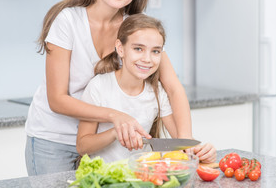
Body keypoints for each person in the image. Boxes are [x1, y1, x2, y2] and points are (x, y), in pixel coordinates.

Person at [25, 0, 196, 176]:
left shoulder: (134, 31)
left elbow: (174, 89)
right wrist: (116, 116)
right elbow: (57, 100)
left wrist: (184, 144)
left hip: (104, 145)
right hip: (55, 140)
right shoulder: (67, 21)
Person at [76, 14, 216, 163]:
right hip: (105, 178)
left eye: (155, 51)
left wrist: (202, 153)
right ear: (120, 48)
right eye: (138, 49)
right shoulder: (99, 86)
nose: (147, 59)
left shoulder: (157, 92)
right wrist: (114, 133)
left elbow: (181, 142)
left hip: (143, 176)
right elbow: (82, 145)